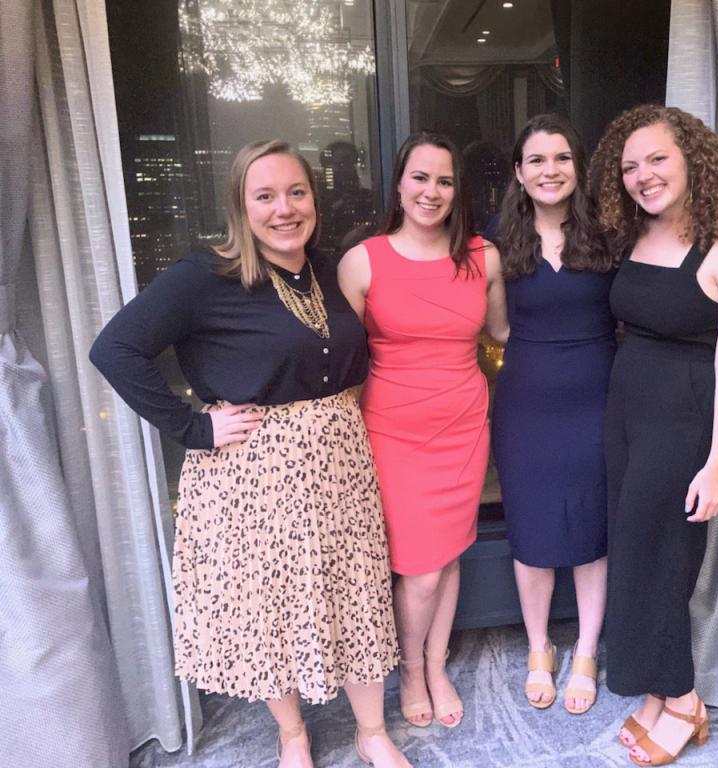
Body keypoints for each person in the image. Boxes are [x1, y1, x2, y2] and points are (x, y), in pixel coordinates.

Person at [90, 140, 410, 768]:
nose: (284, 209)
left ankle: (372, 731)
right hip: (253, 475)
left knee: (355, 591)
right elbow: (115, 350)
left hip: (341, 464)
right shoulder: (201, 278)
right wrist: (194, 428)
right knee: (272, 604)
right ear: (240, 207)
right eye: (264, 196)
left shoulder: (326, 269)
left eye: (296, 192)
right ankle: (293, 733)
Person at [591, 105, 718, 765]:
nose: (643, 176)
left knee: (665, 560)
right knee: (632, 552)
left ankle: (685, 699)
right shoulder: (634, 232)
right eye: (630, 167)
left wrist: (716, 461)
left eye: (657, 159)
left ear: (693, 158)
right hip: (627, 409)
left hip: (683, 419)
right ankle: (653, 689)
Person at [338, 131, 507, 729]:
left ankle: (436, 666)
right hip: (391, 431)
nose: (430, 191)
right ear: (400, 184)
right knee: (421, 565)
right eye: (420, 177)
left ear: (457, 191)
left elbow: (503, 335)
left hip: (464, 424)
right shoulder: (362, 260)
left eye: (444, 180)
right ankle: (411, 668)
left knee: (451, 552)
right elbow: (337, 359)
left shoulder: (482, 258)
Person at [491, 114, 616, 714]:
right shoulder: (497, 243)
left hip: (598, 394)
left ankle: (586, 650)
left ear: (578, 167)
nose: (550, 170)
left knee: (593, 531)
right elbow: (496, 327)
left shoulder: (610, 235)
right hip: (526, 401)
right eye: (537, 160)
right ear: (519, 171)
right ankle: (539, 645)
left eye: (561, 158)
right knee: (532, 531)